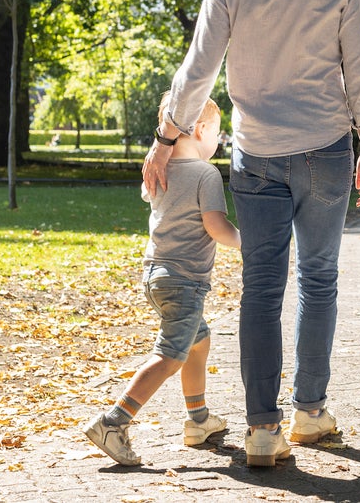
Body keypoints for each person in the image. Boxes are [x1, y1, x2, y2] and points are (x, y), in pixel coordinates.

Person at [143, 0, 360, 467]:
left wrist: (167, 137)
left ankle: (261, 430)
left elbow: (201, 67)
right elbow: (358, 62)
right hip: (327, 147)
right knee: (319, 279)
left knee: (262, 287)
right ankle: (309, 411)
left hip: (258, 156)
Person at [83, 95, 241, 466]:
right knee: (170, 356)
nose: (218, 141)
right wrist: (249, 243)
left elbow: (149, 195)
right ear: (200, 130)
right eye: (217, 133)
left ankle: (198, 420)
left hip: (156, 277)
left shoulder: (159, 167)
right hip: (185, 281)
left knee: (198, 342)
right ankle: (113, 422)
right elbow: (216, 226)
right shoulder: (206, 174)